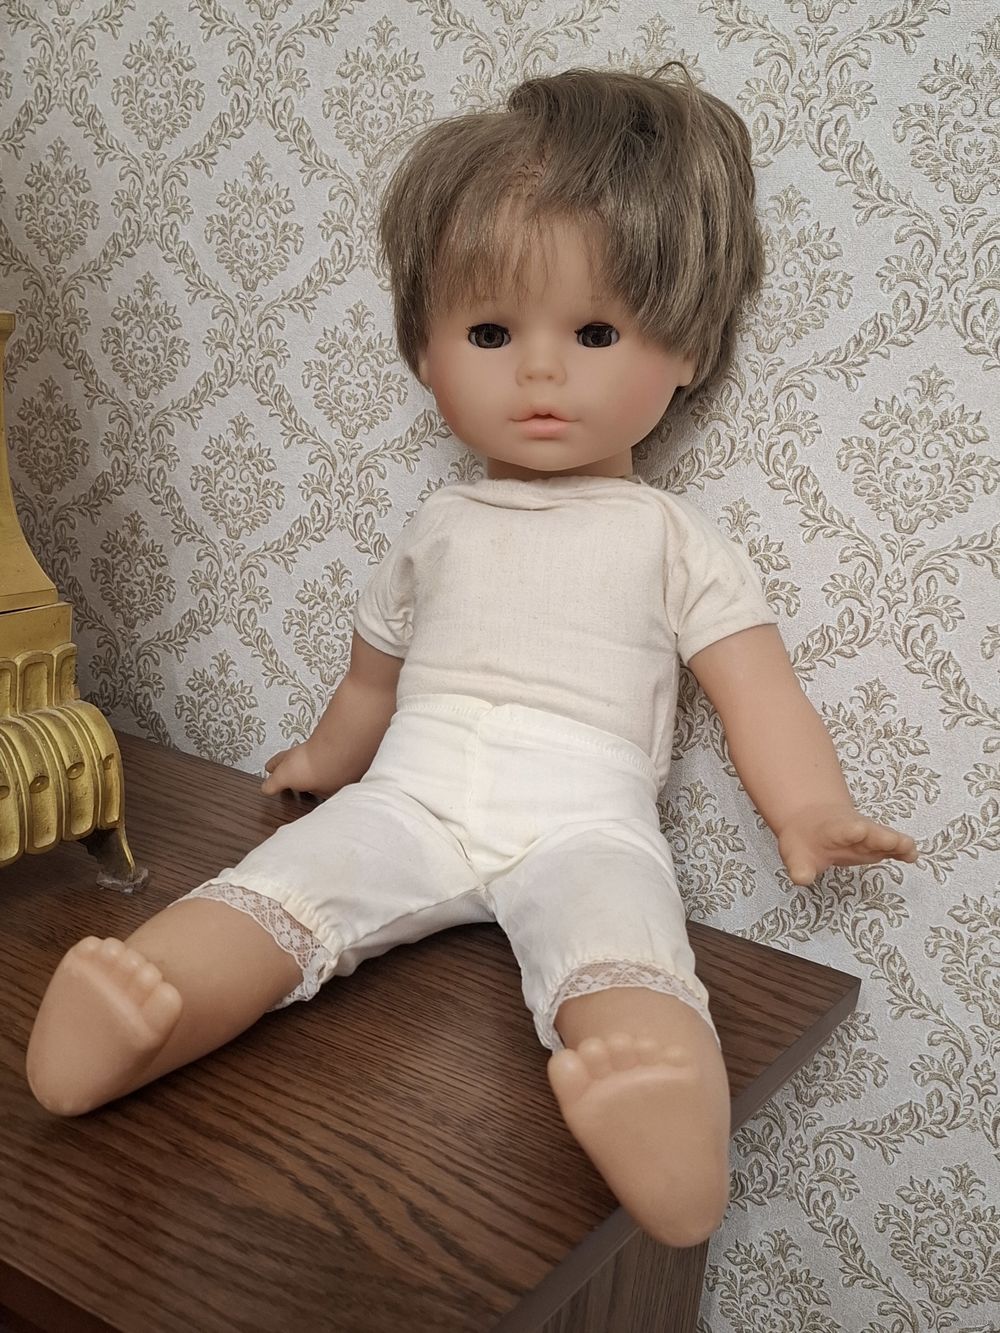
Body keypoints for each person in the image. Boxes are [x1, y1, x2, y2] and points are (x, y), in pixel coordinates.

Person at [25, 64, 918, 1250]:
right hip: (408, 797)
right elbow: (373, 677)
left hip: (586, 820)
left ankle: (670, 1123)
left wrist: (807, 811)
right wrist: (323, 759)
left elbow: (757, 689)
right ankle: (149, 1007)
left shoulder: (670, 538)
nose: (539, 370)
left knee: (622, 955)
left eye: (594, 331)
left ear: (686, 352)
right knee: (283, 890)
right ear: (425, 354)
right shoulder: (438, 526)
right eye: (490, 332)